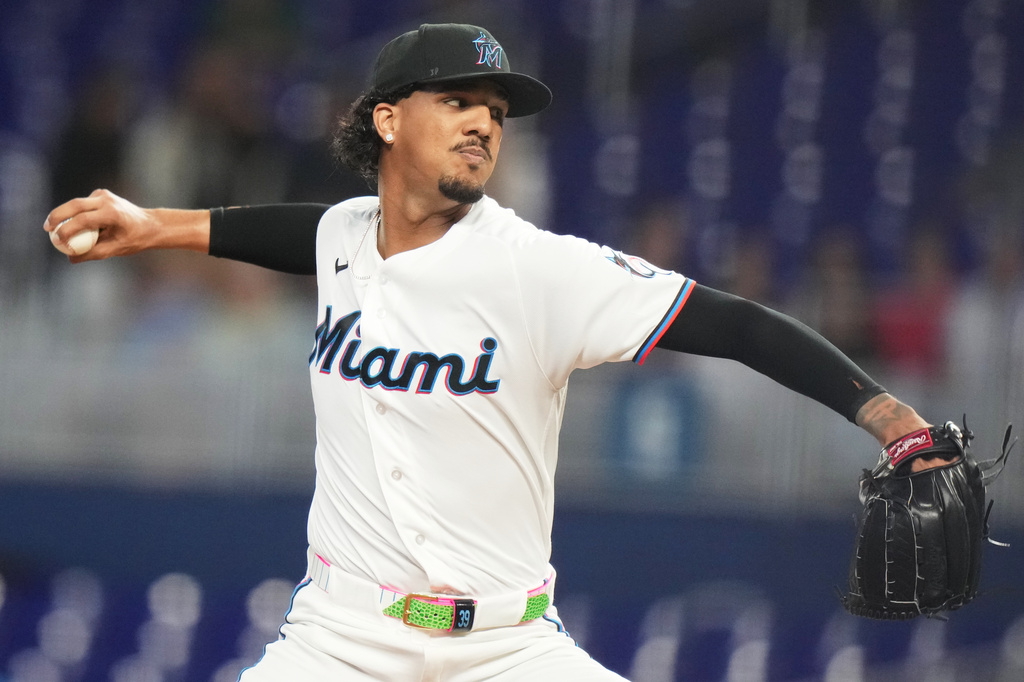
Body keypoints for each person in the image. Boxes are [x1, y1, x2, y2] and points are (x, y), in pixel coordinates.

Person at [45, 23, 940, 682]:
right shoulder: (344, 236)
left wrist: (887, 413)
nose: (484, 123)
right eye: (458, 100)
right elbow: (281, 233)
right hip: (339, 640)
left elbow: (736, 322)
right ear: (388, 120)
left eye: (496, 111)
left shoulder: (538, 269)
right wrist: (152, 224)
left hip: (507, 649)